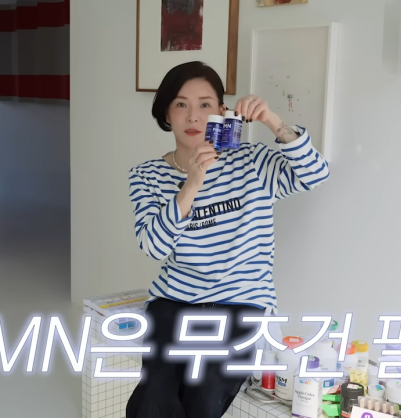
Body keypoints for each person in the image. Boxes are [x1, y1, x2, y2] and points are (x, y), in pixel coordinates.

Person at [125, 61, 330, 418]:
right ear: (167, 114)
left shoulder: (251, 162)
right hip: (175, 299)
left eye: (205, 104)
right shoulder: (146, 175)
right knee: (154, 395)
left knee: (205, 395)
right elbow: (153, 246)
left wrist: (272, 121)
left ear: (222, 112)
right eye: (181, 104)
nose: (193, 116)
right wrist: (191, 184)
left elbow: (316, 174)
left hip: (242, 301)